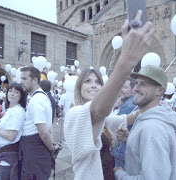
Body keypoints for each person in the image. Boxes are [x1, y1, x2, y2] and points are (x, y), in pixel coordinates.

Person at [64, 11, 156, 179]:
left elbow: (127, 118)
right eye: (87, 81)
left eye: (97, 82)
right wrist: (126, 61)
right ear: (79, 88)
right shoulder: (75, 114)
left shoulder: (103, 120)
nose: (93, 85)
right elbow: (98, 111)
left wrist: (152, 104)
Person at [114, 65, 176, 179]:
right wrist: (130, 140)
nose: (136, 88)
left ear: (160, 90)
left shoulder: (153, 129)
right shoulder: (148, 120)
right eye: (137, 83)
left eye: (143, 84)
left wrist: (120, 174)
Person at [20, 67, 59, 180]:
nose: (21, 81)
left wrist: (51, 148)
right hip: (34, 148)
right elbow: (48, 126)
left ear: (35, 80)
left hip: (34, 149)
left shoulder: (37, 100)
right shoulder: (39, 97)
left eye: (24, 78)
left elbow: (43, 132)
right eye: (21, 78)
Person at [0, 83, 26, 180]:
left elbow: (11, 137)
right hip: (2, 153)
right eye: (10, 91)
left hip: (8, 156)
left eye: (16, 92)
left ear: (21, 96)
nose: (12, 94)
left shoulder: (18, 111)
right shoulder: (9, 110)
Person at [111, 77, 137, 169]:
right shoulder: (133, 101)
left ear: (133, 90)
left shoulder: (129, 104)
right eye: (122, 87)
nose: (122, 90)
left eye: (125, 87)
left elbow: (115, 124)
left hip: (121, 149)